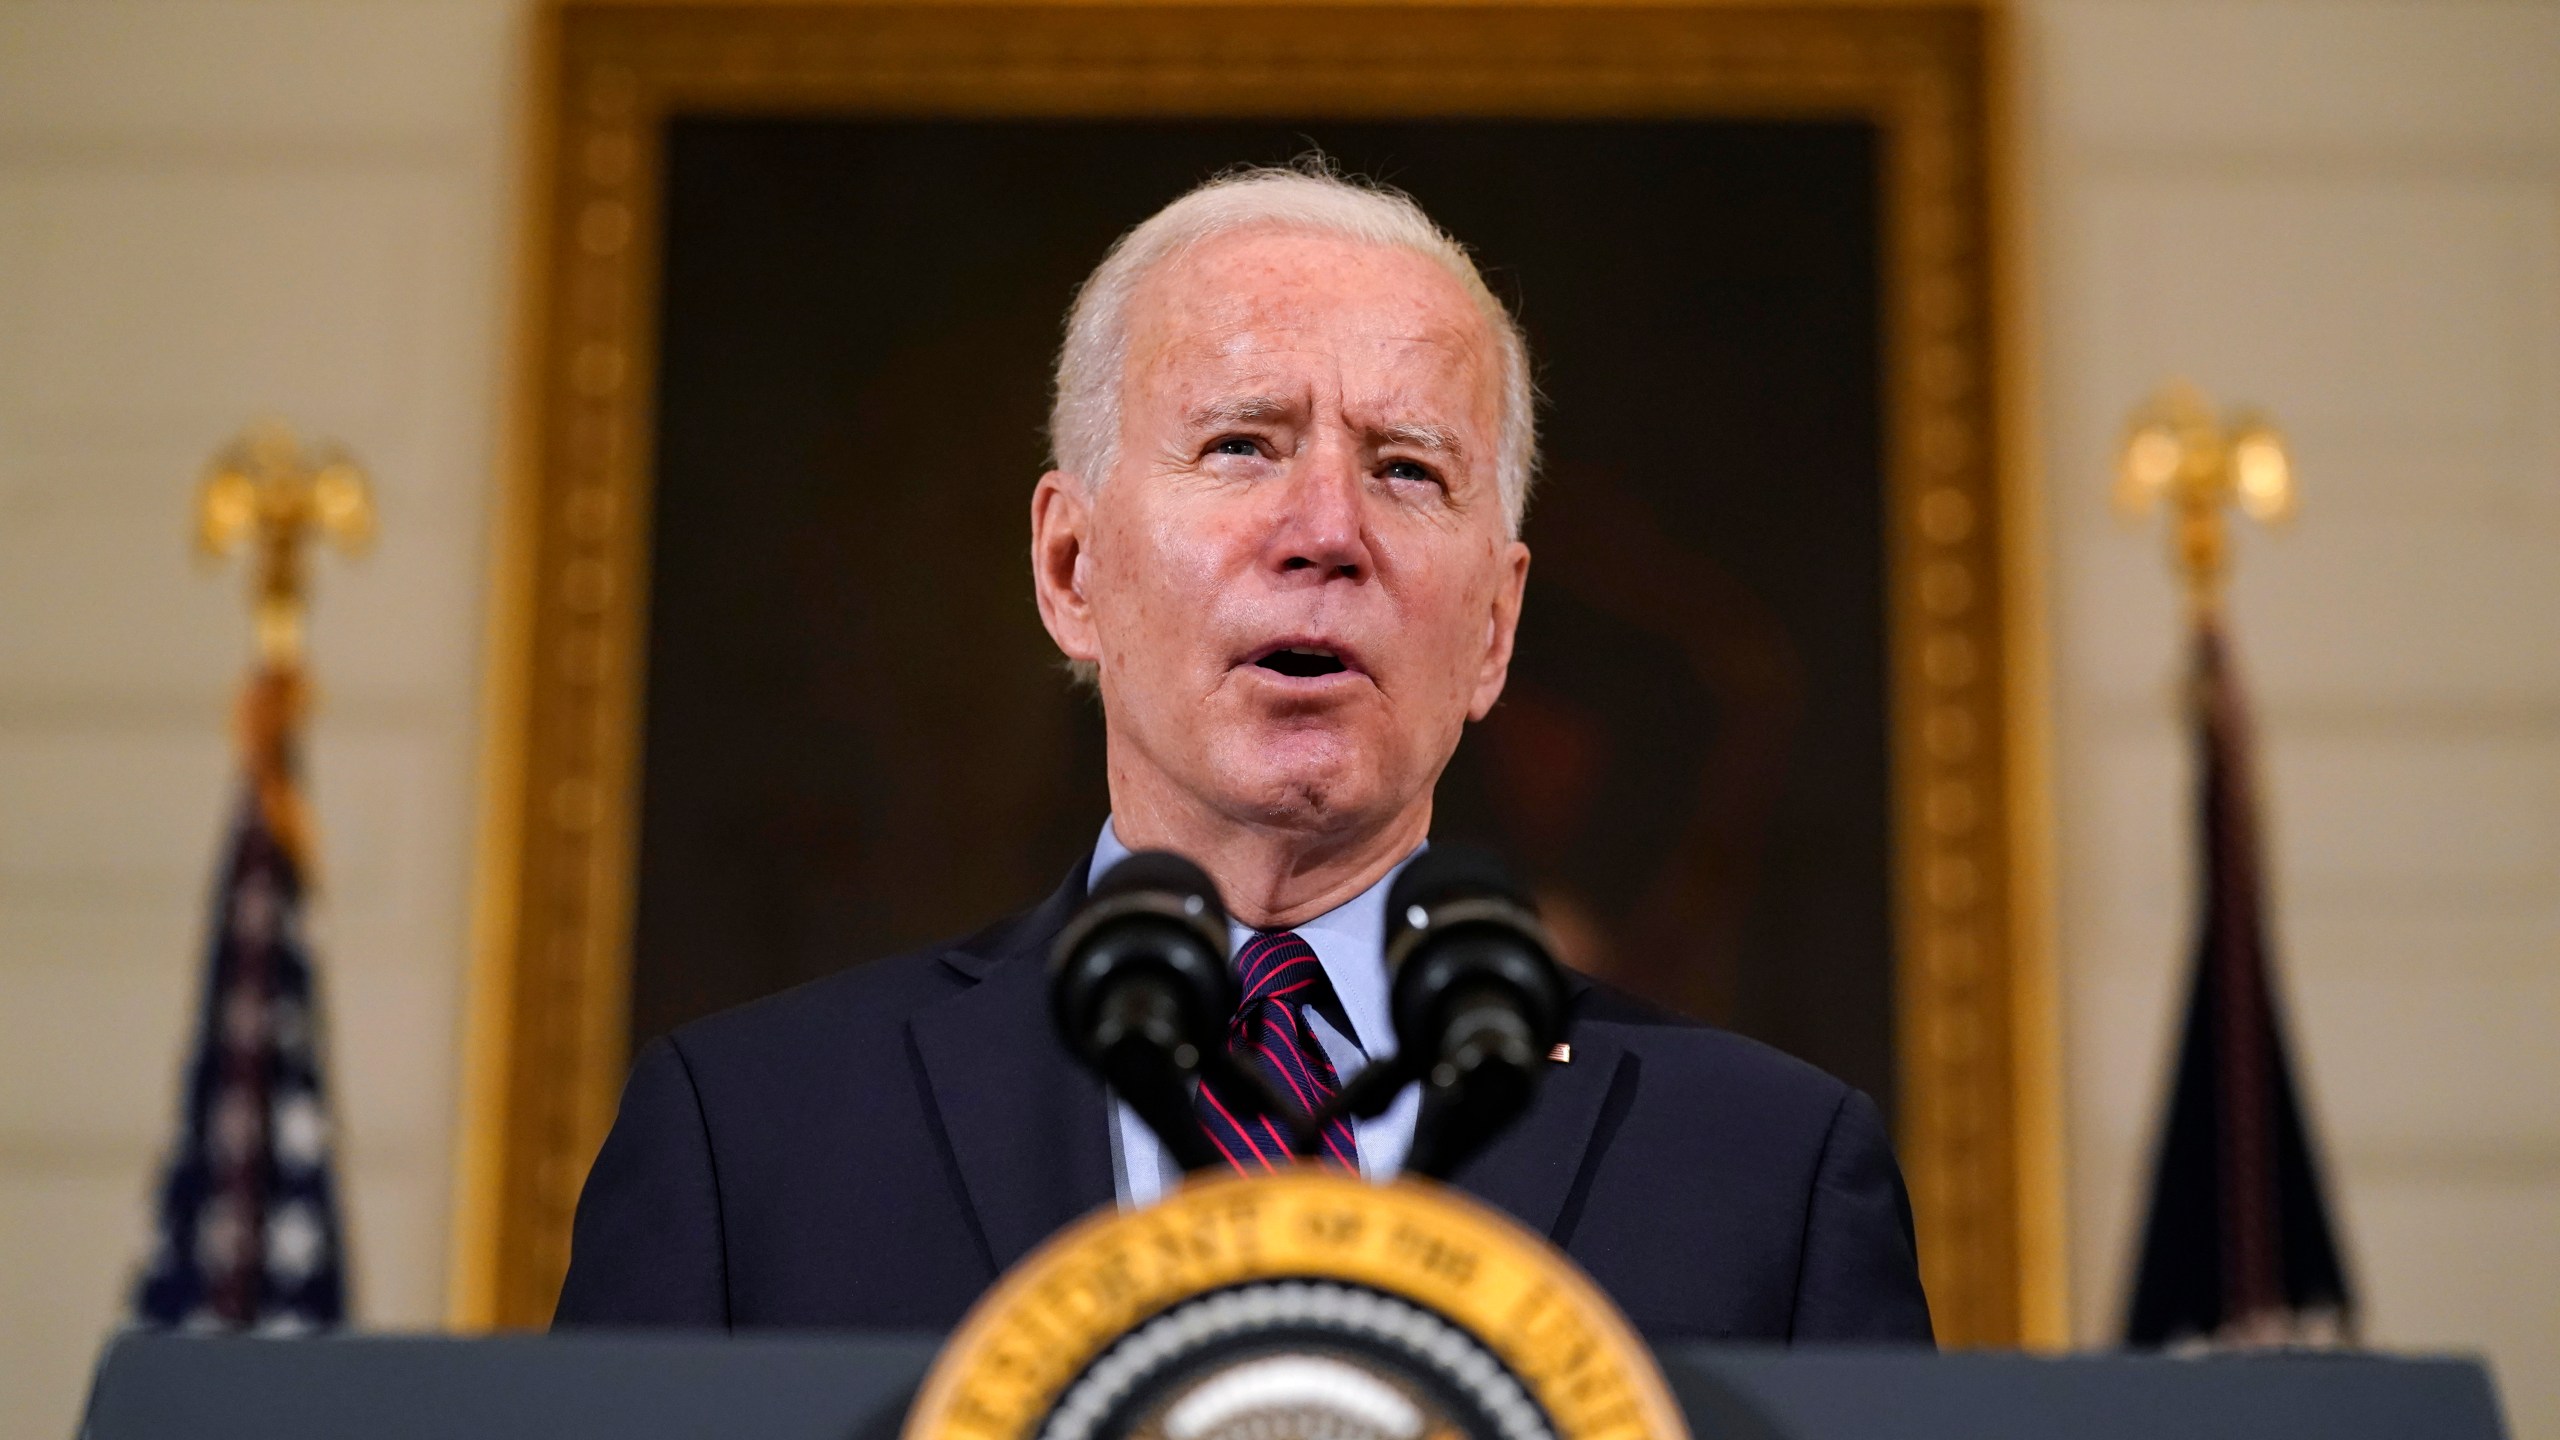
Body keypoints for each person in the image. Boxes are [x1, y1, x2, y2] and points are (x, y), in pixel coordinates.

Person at [554, 165, 1931, 1342]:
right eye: (1239, 445)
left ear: (1497, 627)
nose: (1325, 529)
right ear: (1069, 566)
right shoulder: (749, 1144)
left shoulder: (1772, 1178)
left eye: (1406, 469)